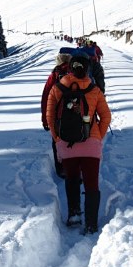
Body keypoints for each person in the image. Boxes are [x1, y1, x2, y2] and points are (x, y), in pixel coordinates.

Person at [46, 51, 111, 234]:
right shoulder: (94, 90)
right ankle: (91, 224)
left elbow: (50, 117)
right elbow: (106, 116)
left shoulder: (57, 88)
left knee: (72, 179)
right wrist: (97, 137)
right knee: (92, 184)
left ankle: (74, 214)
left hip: (67, 145)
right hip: (91, 145)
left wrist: (58, 139)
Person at [41, 48, 72, 177]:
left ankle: (61, 168)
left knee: (57, 141)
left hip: (56, 117)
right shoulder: (77, 73)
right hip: (75, 114)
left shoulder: (54, 75)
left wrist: (45, 119)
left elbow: (45, 97)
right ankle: (75, 167)